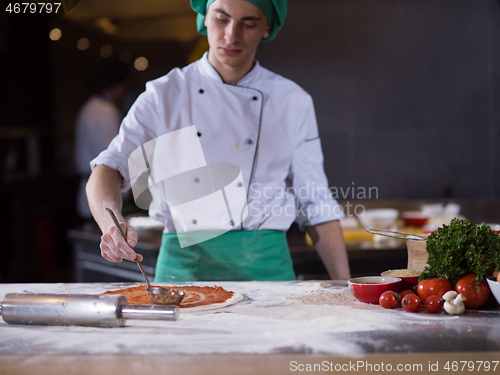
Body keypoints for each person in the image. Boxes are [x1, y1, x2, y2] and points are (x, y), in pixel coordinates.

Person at [86, 0, 351, 281]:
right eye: (221, 19)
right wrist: (111, 224)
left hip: (267, 272)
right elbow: (108, 168)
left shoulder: (292, 101)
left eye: (248, 24)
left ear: (267, 27)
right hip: (184, 273)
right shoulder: (163, 96)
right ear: (204, 17)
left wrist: (347, 287)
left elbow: (315, 202)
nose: (231, 36)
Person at [75, 58, 129, 219]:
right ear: (116, 84)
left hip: (93, 191)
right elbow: (113, 155)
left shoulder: (92, 106)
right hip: (101, 193)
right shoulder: (104, 111)